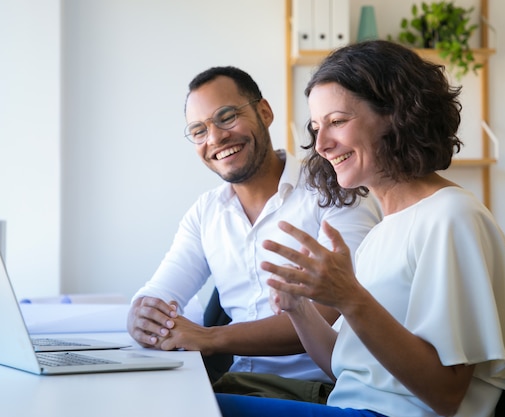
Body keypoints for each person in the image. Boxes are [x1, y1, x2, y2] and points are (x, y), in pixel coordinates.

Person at [216, 40, 505, 417]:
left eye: (337, 121)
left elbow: (446, 394)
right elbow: (350, 373)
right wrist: (298, 310)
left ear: (395, 113)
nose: (321, 144)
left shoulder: (452, 216)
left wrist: (350, 297)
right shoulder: (381, 232)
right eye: (316, 127)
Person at [127, 66, 382, 394]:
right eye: (199, 130)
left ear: (264, 112)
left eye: (227, 116)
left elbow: (332, 308)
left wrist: (210, 338)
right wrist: (142, 314)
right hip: (236, 384)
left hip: (316, 390)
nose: (216, 138)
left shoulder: (336, 192)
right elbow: (161, 292)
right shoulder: (206, 212)